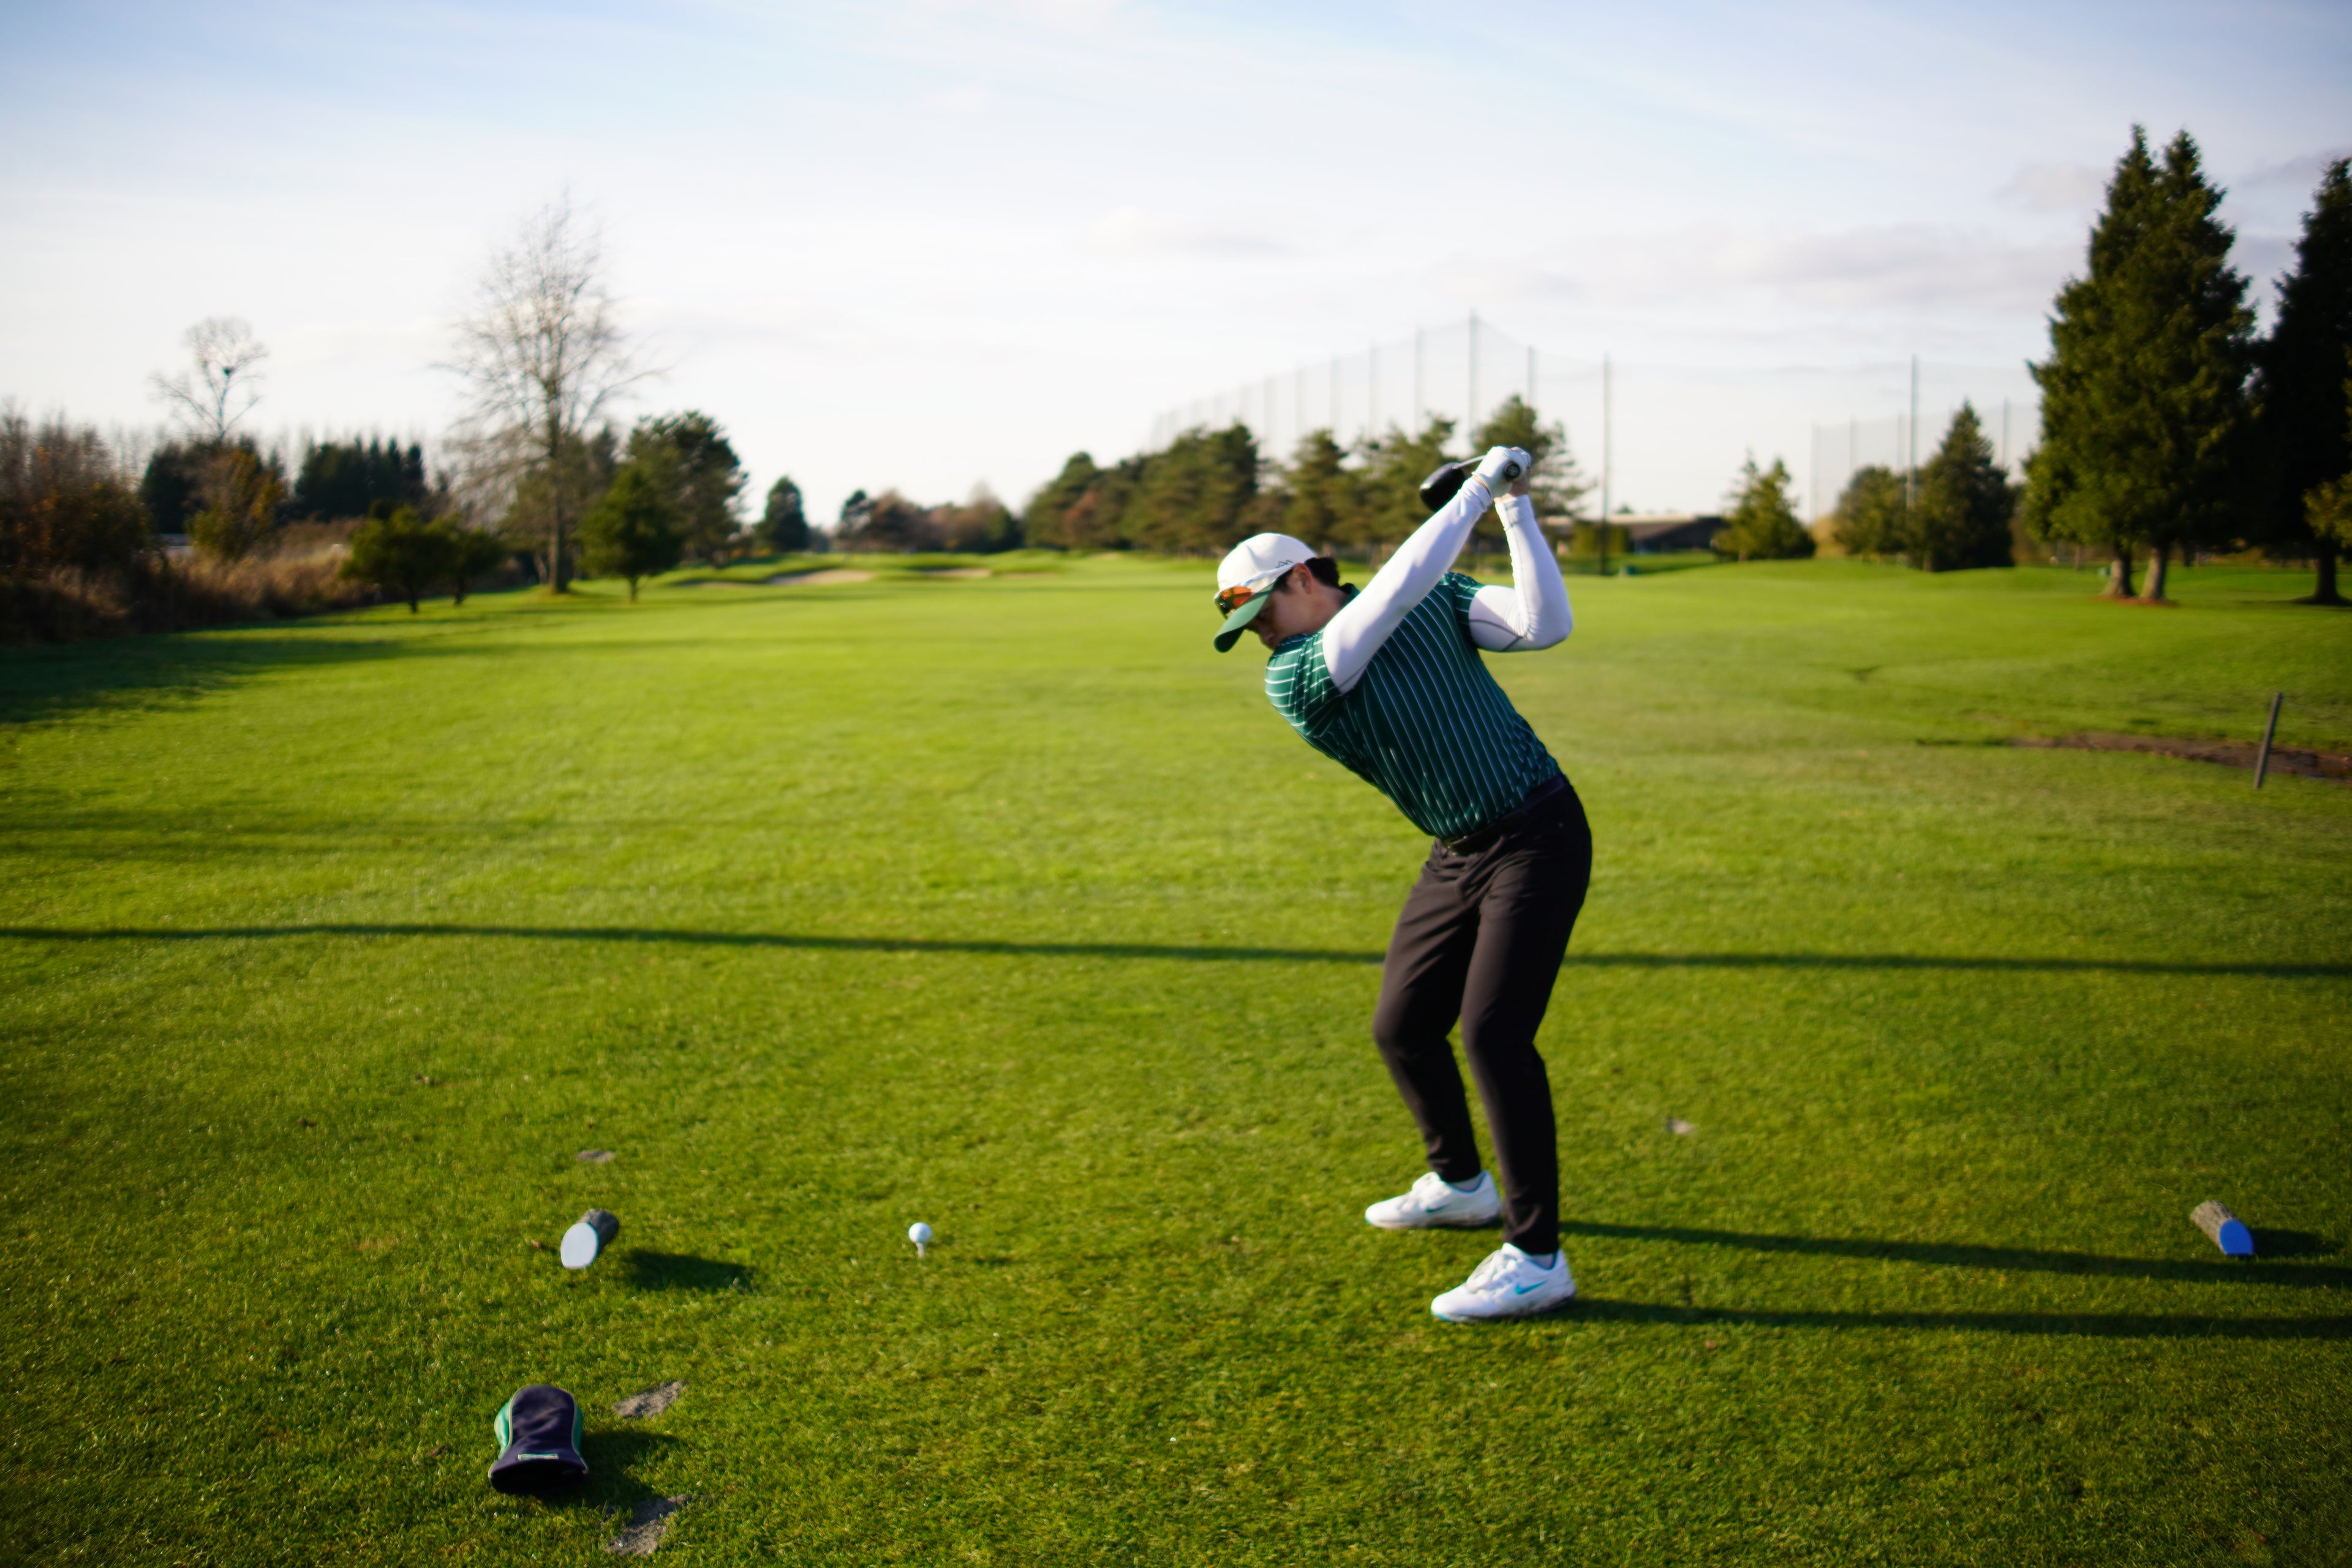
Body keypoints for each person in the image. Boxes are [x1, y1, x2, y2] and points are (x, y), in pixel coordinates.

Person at [1210, 446, 1589, 1321]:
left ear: (1304, 576)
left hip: (1540, 831)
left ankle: (1538, 1258)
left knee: (1494, 1037)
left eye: (1265, 610)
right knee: (1404, 1026)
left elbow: (1544, 624)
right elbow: (1388, 596)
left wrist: (1513, 508)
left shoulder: (1436, 600)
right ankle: (1462, 1183)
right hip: (1459, 849)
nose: (1260, 633)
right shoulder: (1298, 676)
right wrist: (1473, 495)